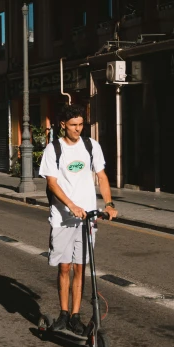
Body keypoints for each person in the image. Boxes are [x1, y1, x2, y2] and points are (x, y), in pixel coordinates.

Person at [39, 104, 118, 335]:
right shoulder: (53, 149)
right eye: (73, 125)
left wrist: (109, 203)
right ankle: (63, 314)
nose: (78, 129)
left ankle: (75, 316)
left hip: (87, 218)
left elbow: (101, 176)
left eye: (81, 124)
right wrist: (71, 205)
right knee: (64, 267)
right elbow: (52, 183)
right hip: (63, 217)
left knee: (80, 267)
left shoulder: (91, 146)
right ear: (63, 125)